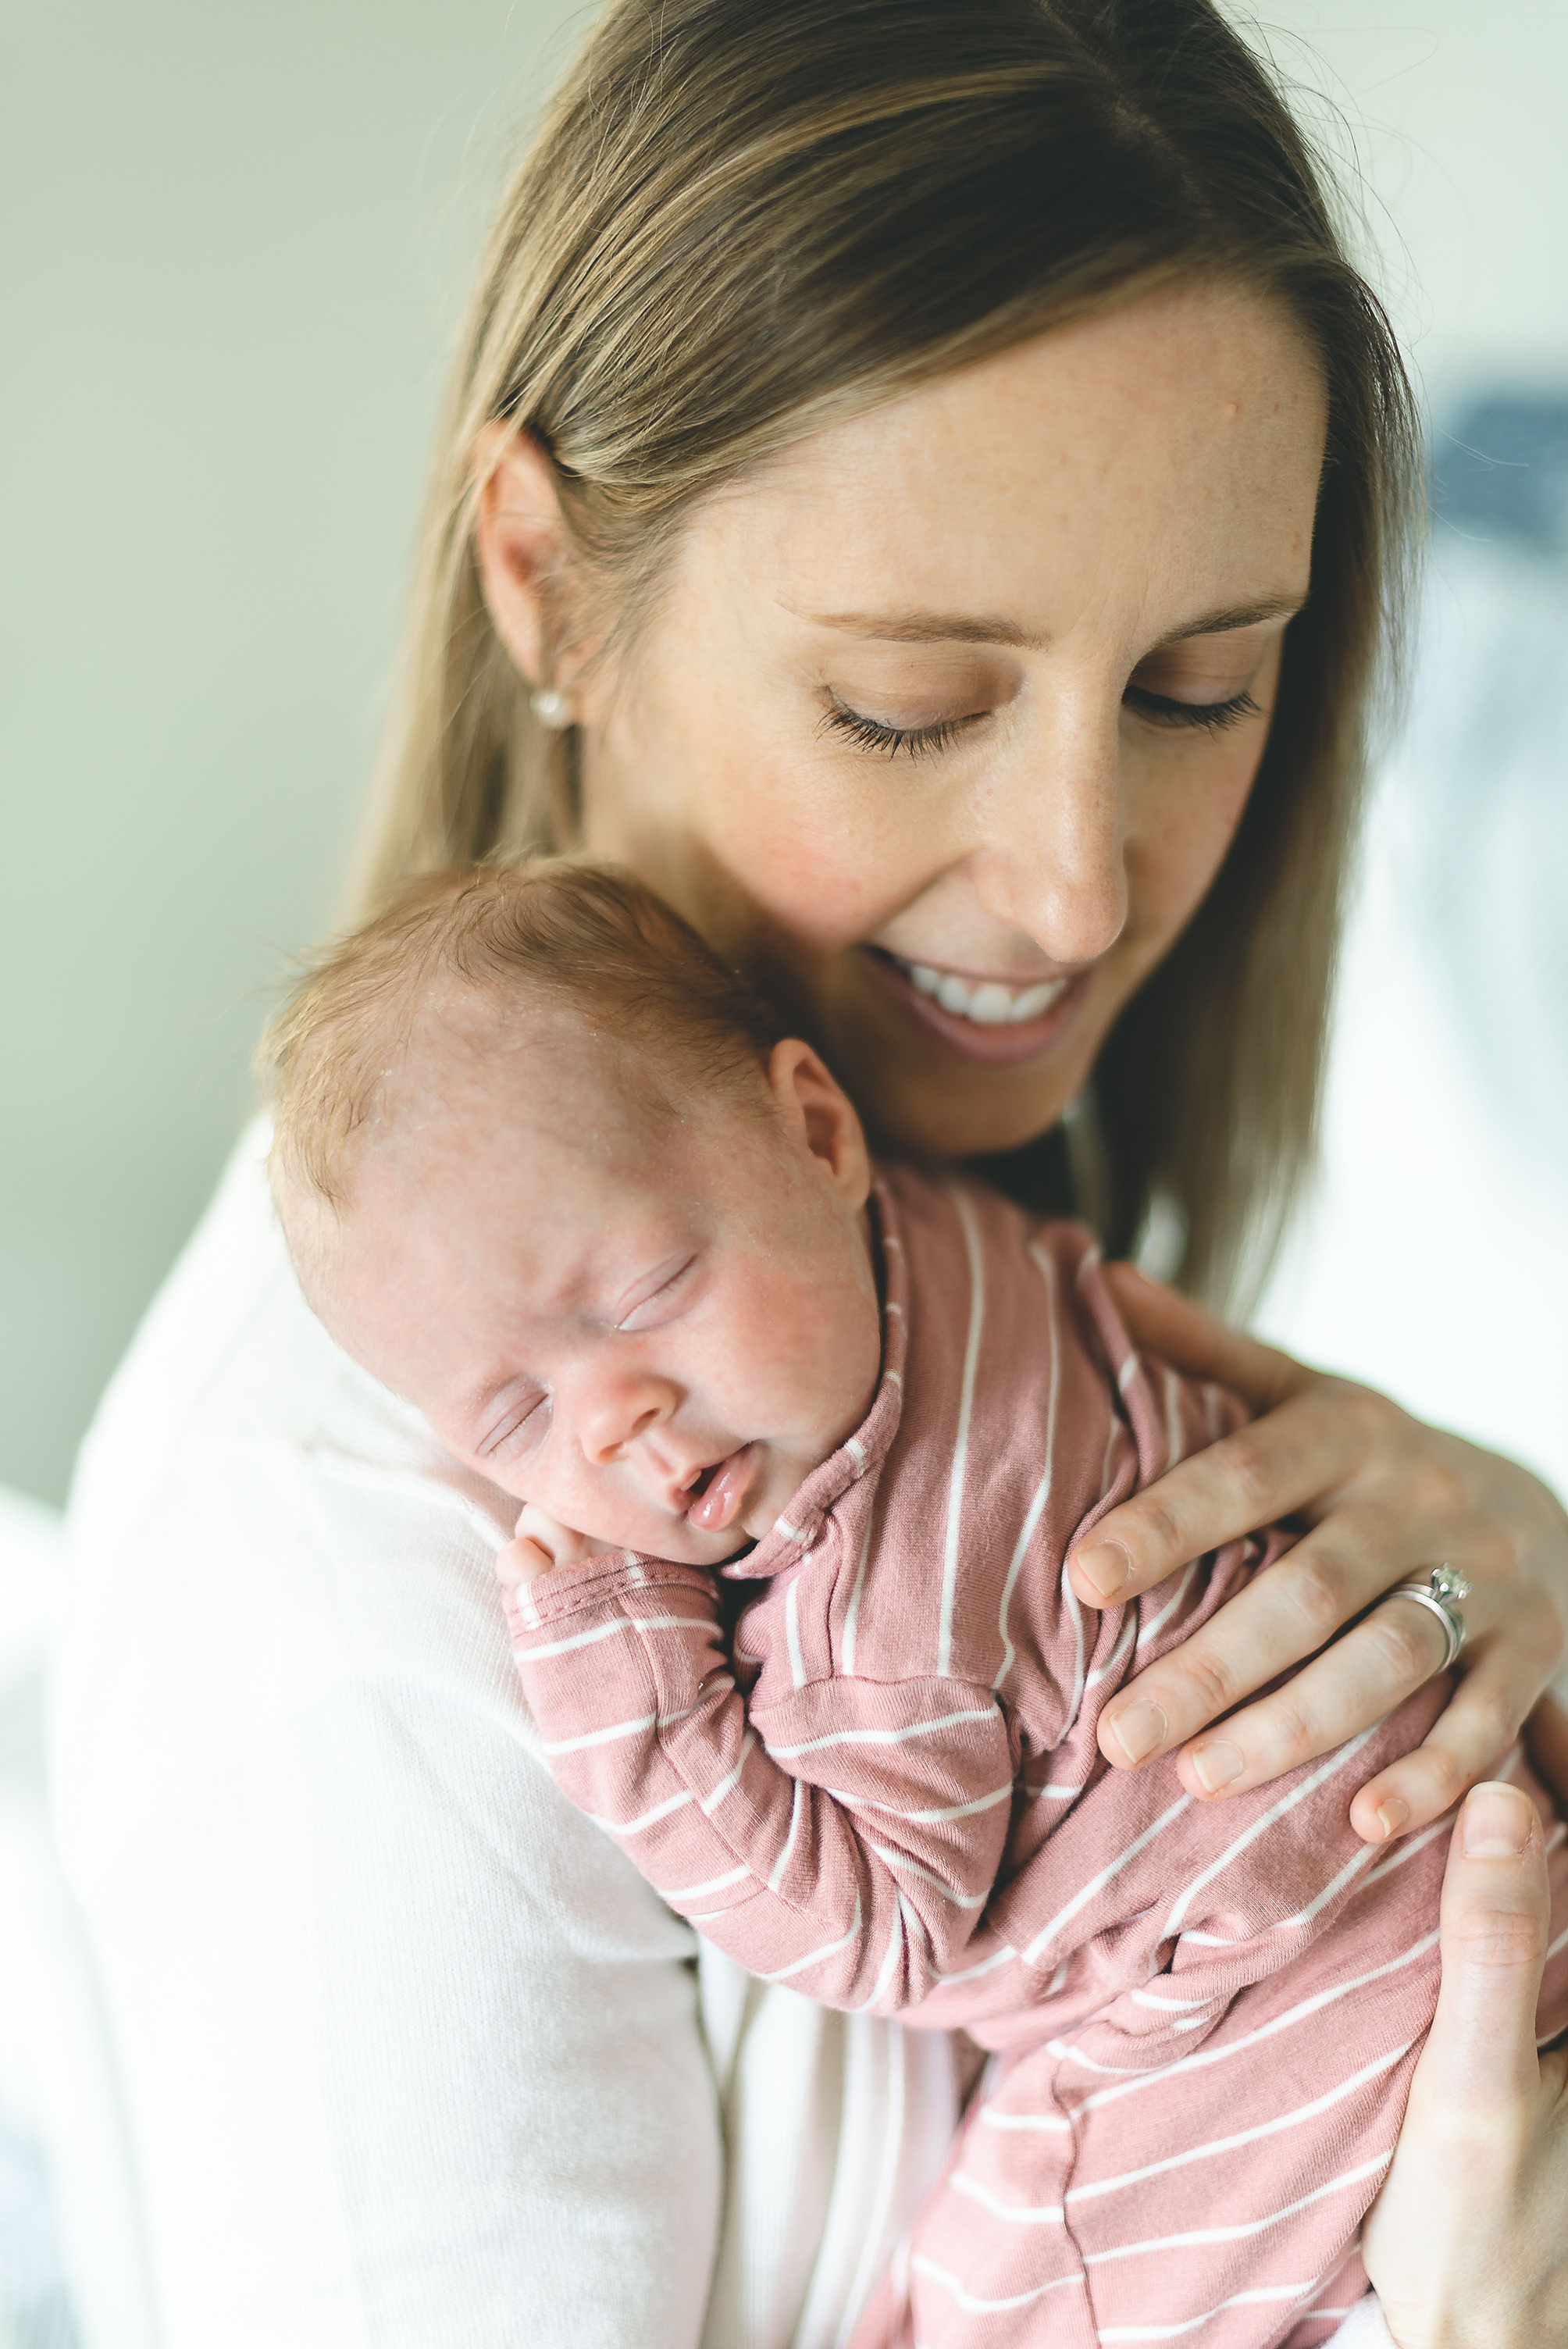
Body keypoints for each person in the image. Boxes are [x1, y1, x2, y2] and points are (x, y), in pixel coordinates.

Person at [48, 2, 1568, 2344]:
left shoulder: (944, 1287)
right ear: (544, 582)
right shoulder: (366, 1603)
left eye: (1196, 689)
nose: (1077, 890)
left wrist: (1503, 1606)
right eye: (907, 707)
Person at [258, 854, 1568, 2347]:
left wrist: (647, 1708)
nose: (611, 1422)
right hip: (1463, 1844)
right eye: (513, 1423)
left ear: (815, 1128)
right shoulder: (937, 1236)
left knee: (1011, 2289)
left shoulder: (881, 1633)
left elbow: (885, 1935)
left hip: (1289, 1995)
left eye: (640, 1296)